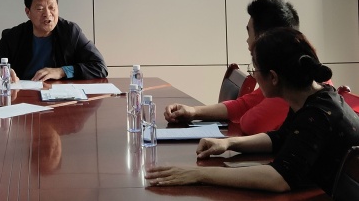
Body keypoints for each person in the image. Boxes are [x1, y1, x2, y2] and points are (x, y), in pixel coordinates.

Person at [146, 28, 359, 195]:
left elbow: (279, 179)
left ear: (273, 77)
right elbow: (281, 137)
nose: (254, 76)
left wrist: (199, 174)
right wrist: (228, 143)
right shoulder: (313, 97)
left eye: (255, 70)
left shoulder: (316, 114)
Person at [164, 0, 300, 134]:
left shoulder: (289, 87)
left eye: (249, 33)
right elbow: (243, 105)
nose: (247, 41)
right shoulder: (284, 74)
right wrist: (193, 111)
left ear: (264, 39)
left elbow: (251, 123)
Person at [0, 0, 107, 83]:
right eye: (40, 9)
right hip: (23, 97)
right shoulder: (13, 36)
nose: (47, 14)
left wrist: (61, 71)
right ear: (28, 12)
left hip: (60, 99)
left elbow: (99, 66)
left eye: (52, 7)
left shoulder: (70, 32)